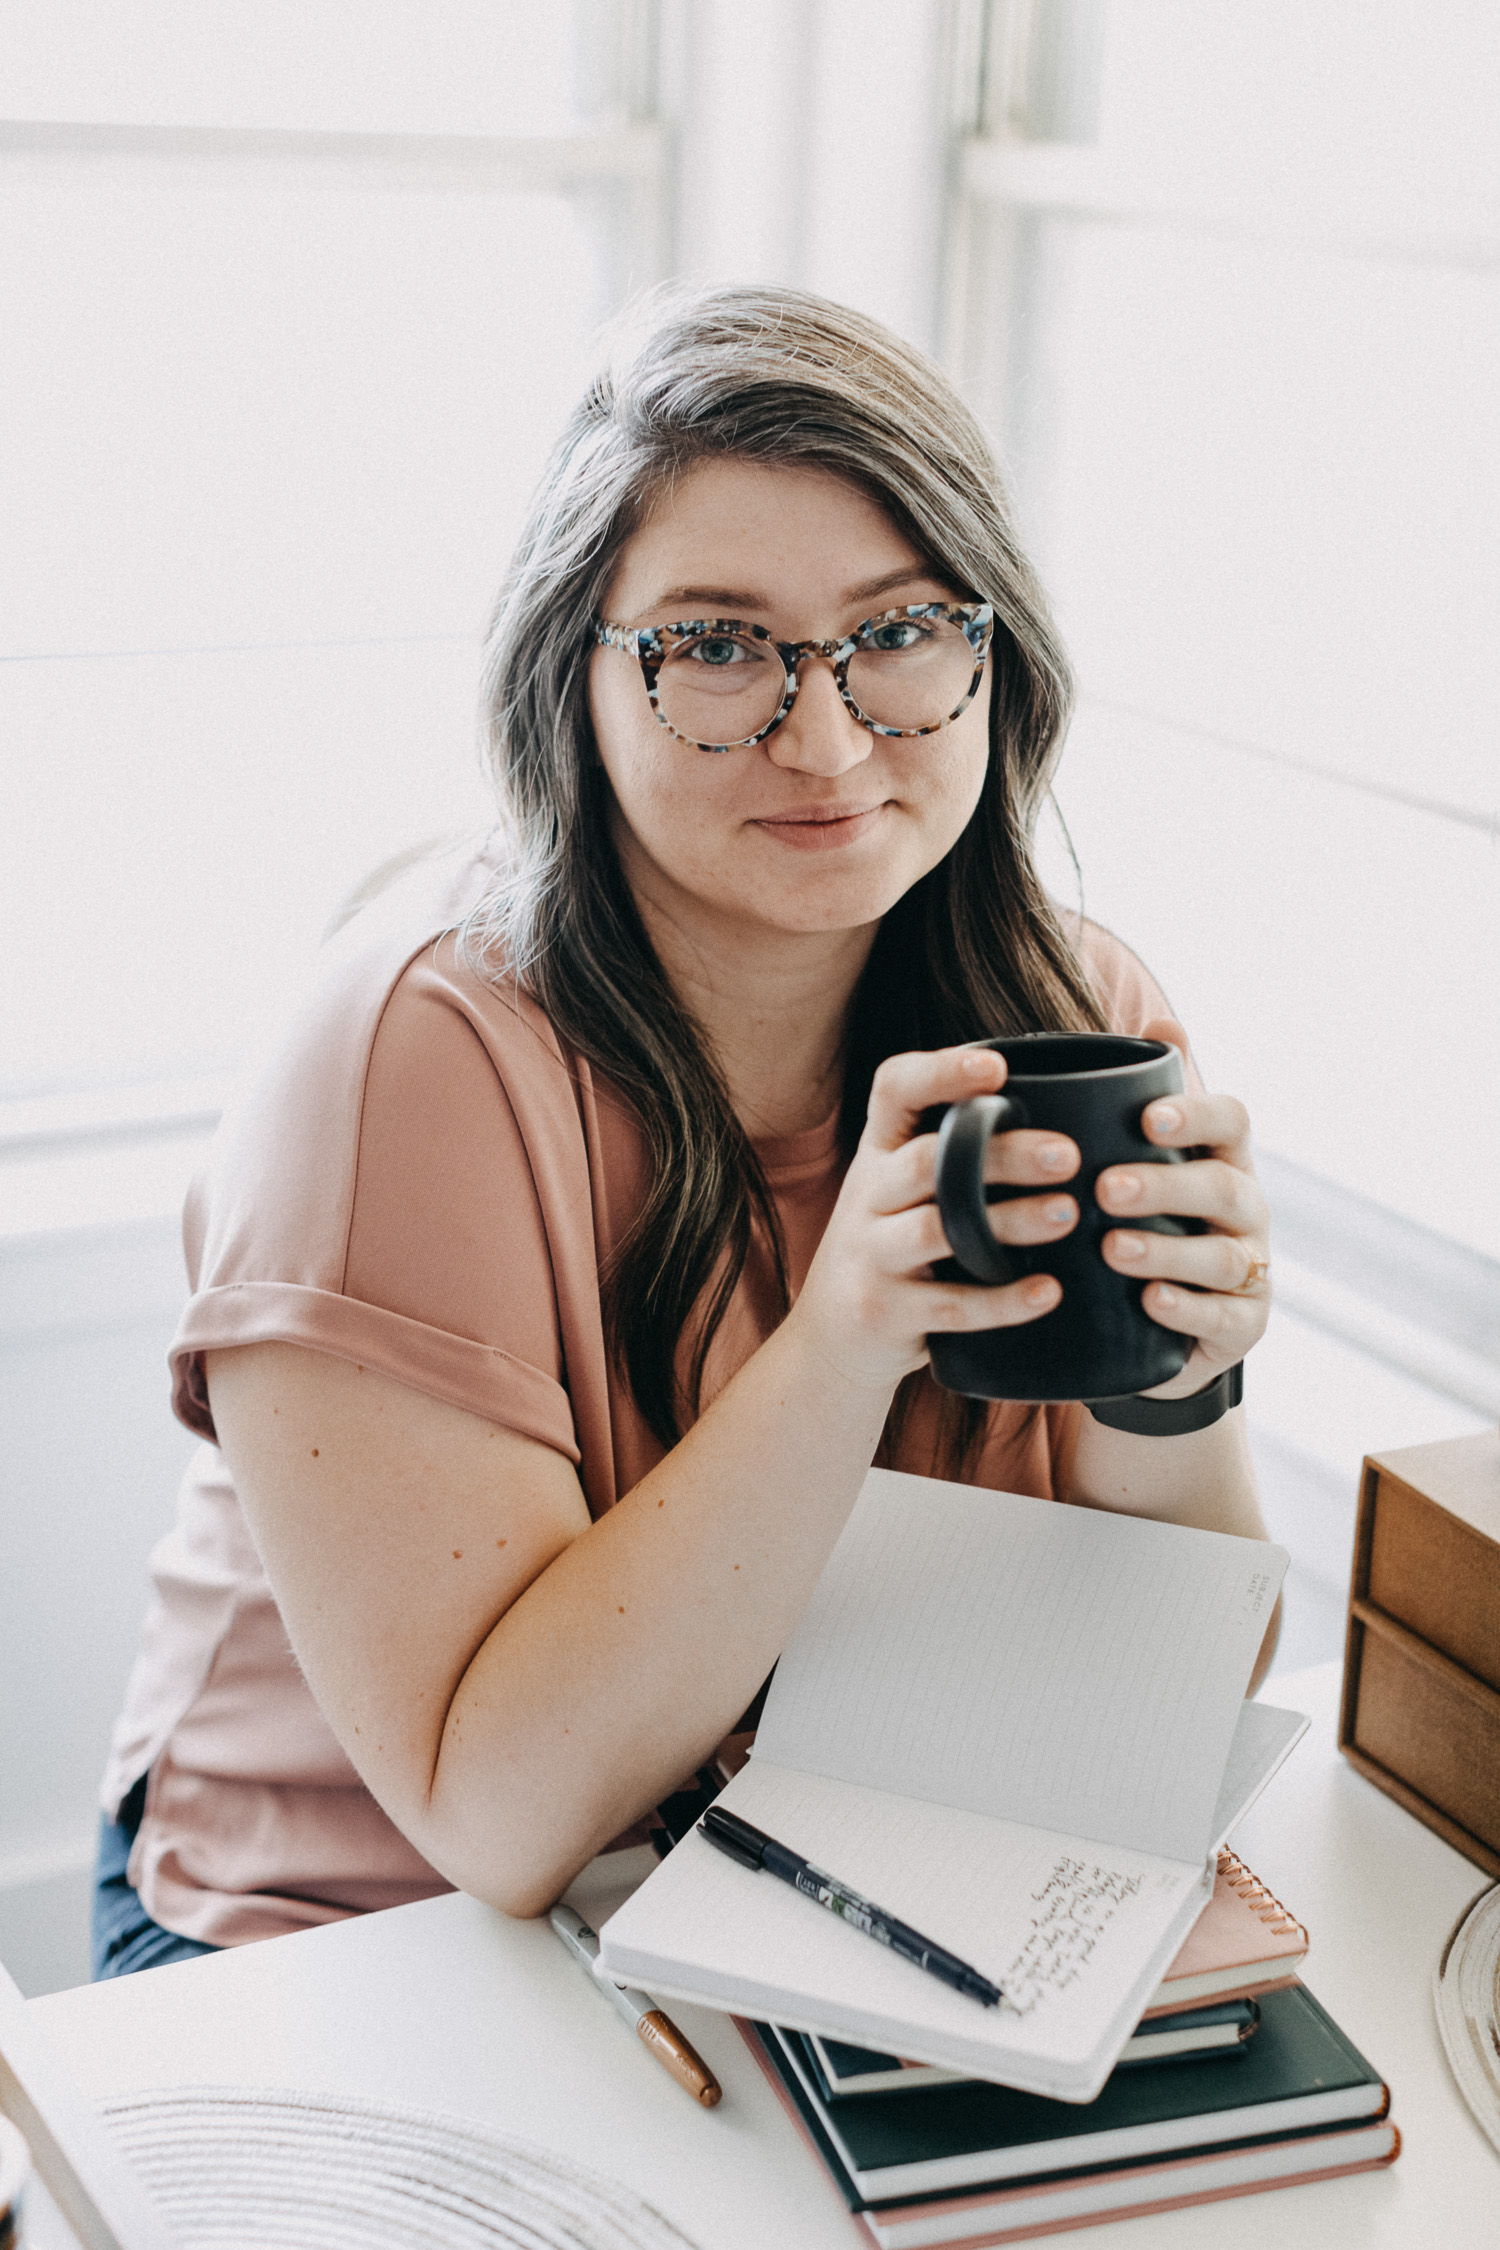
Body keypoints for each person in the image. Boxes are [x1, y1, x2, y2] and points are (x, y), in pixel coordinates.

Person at [95, 284, 1275, 1977]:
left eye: (900, 630)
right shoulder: (404, 1062)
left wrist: (1175, 1376)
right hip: (339, 1944)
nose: (824, 733)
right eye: (715, 646)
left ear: (993, 649)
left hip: (802, 1896)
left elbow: (1160, 1701)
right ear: (567, 677)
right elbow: (496, 1815)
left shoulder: (1073, 1016)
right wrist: (846, 1340)